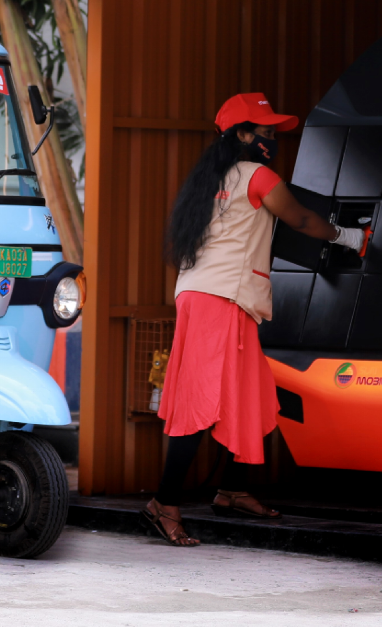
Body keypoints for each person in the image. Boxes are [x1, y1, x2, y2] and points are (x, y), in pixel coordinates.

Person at [142, 93, 366, 547]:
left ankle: (232, 489)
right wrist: (350, 236)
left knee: (251, 395)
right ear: (242, 135)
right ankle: (164, 503)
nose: (272, 140)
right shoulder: (259, 176)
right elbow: (301, 219)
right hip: (220, 298)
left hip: (210, 296)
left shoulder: (208, 179)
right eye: (266, 132)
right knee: (200, 403)